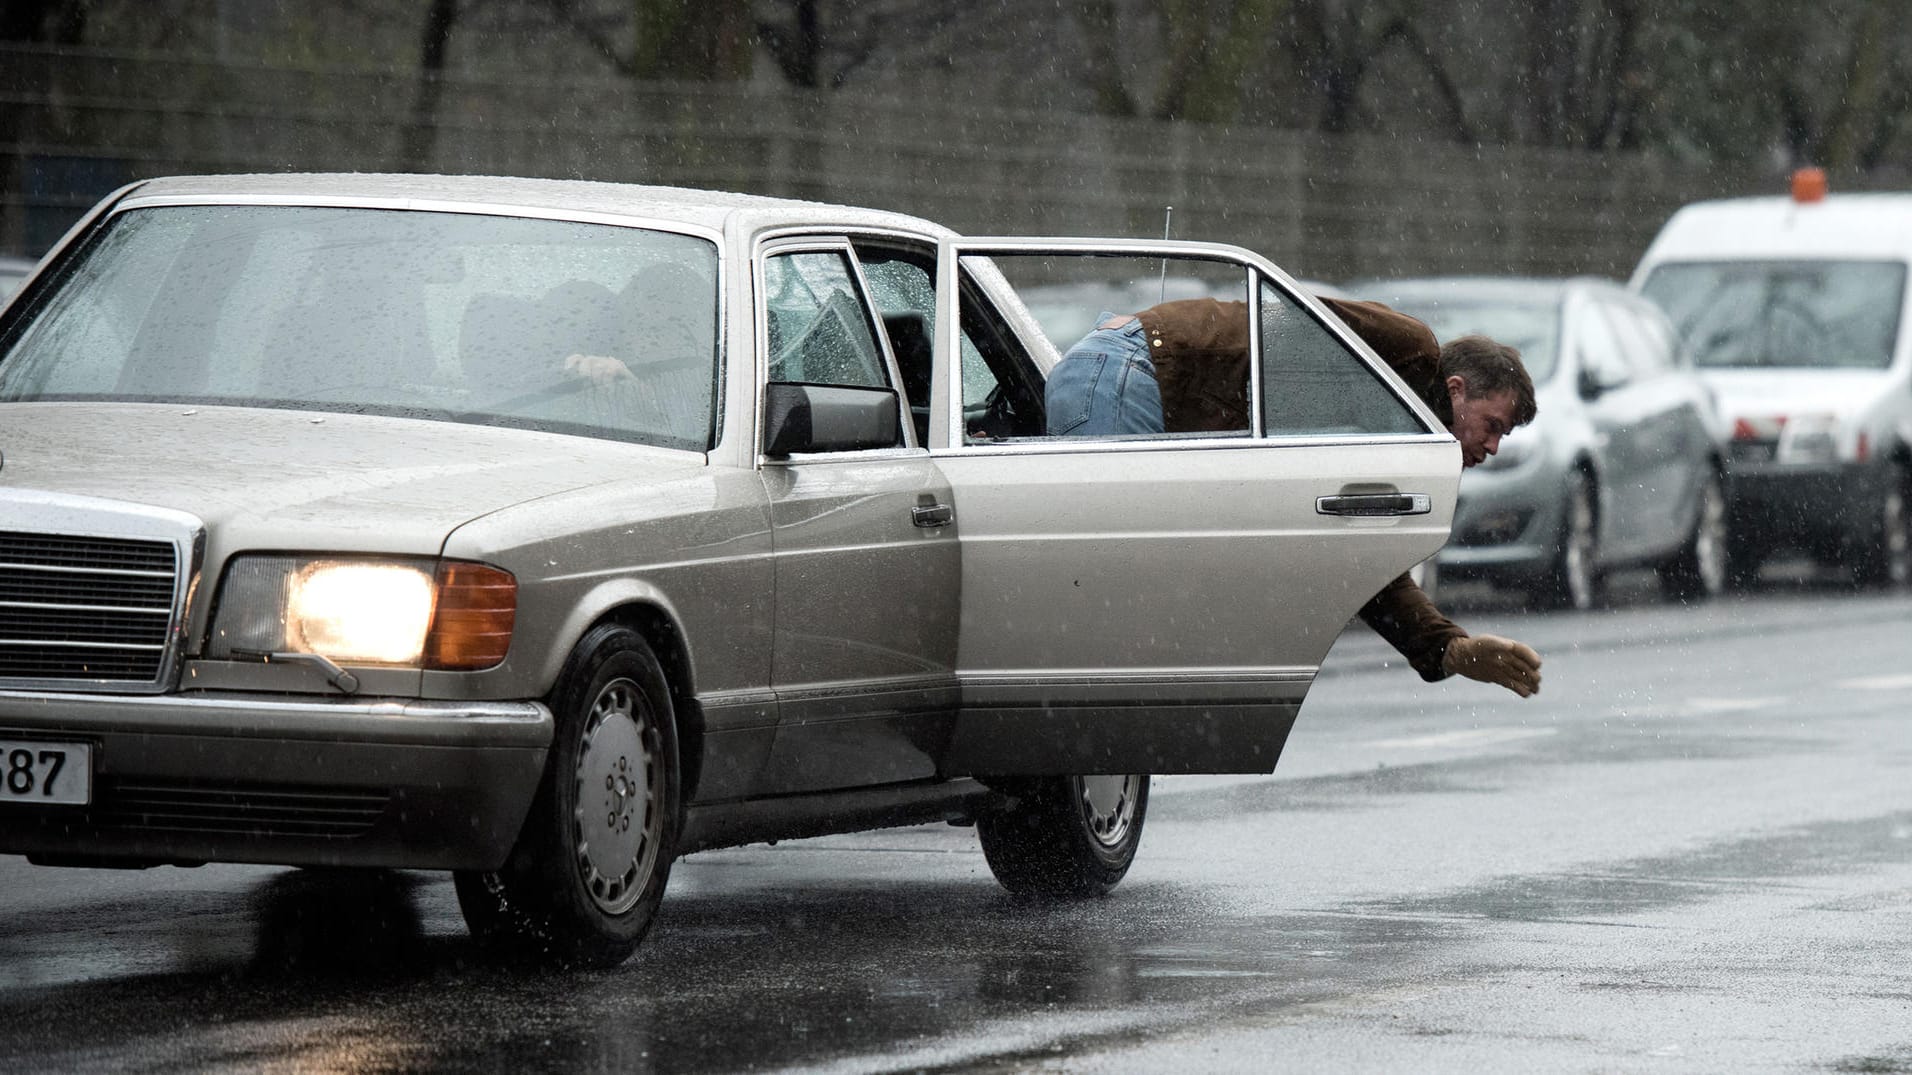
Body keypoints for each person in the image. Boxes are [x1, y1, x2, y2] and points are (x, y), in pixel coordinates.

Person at [1045, 294, 1544, 698]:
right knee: (1103, 605)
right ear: (1455, 390)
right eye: (1492, 425)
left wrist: (1448, 650)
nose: (1494, 447)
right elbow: (1289, 313)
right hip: (1133, 368)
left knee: (1113, 617)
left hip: (1131, 375)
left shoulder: (1389, 430)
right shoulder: (1410, 352)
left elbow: (1357, 554)